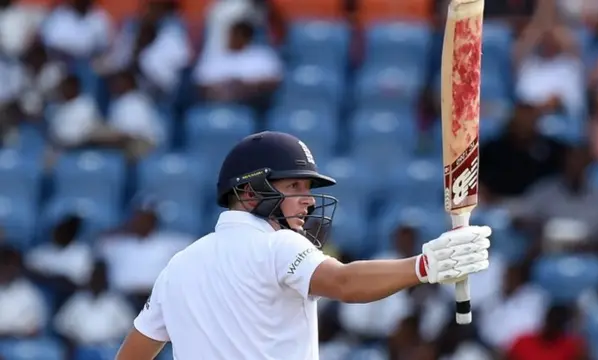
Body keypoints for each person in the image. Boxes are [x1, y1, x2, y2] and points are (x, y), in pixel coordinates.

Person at [115, 131, 492, 360]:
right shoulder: (277, 246)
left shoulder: (178, 265)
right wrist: (425, 266)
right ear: (248, 192)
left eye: (308, 190)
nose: (309, 200)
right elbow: (345, 283)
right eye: (294, 187)